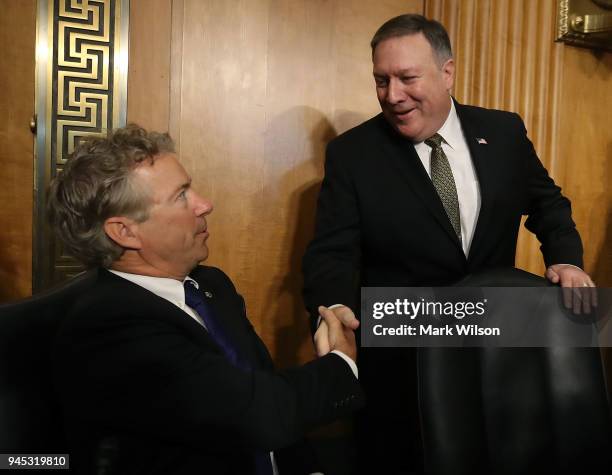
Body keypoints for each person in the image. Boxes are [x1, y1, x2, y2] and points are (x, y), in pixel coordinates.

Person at [302, 14, 596, 474]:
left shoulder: (503, 132)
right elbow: (331, 253)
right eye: (381, 80)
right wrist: (334, 308)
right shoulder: (353, 154)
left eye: (406, 78)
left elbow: (548, 205)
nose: (392, 95)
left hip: (495, 356)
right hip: (402, 370)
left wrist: (566, 260)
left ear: (447, 72)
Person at [48, 125, 364, 475]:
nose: (205, 204)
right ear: (125, 231)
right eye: (181, 195)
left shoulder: (210, 286)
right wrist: (341, 362)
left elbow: (262, 387)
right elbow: (257, 414)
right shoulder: (108, 328)